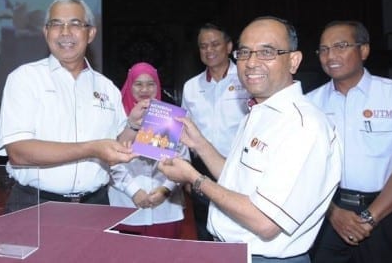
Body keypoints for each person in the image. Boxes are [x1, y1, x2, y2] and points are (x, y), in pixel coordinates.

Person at [158, 16, 342, 262]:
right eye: (245, 53)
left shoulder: (303, 126)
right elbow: (234, 178)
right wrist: (199, 143)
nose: (251, 62)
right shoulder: (258, 111)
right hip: (233, 252)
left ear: (293, 61)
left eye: (266, 52)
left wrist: (194, 178)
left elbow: (265, 222)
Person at [0, 0, 140, 209]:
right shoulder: (25, 78)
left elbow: (116, 146)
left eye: (75, 24)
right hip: (34, 204)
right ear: (46, 32)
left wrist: (134, 125)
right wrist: (92, 148)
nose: (65, 32)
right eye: (56, 24)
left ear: (90, 33)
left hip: (96, 204)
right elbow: (18, 153)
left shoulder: (106, 87)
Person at [307, 20, 392, 263]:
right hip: (327, 214)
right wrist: (332, 212)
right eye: (323, 49)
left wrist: (370, 217)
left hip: (385, 212)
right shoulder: (309, 104)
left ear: (364, 50)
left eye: (340, 46)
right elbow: (304, 169)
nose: (330, 56)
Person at [181, 22, 249, 241]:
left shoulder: (247, 80)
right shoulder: (191, 86)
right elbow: (182, 133)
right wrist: (186, 176)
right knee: (205, 232)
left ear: (229, 47)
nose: (208, 50)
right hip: (203, 172)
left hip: (241, 170)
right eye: (203, 46)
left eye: (214, 44)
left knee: (240, 233)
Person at [108, 62, 189, 238]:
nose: (145, 89)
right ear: (130, 86)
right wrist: (134, 190)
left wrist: (164, 190)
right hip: (126, 207)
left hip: (165, 210)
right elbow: (108, 161)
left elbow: (183, 161)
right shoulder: (115, 118)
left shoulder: (171, 119)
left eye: (150, 83)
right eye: (138, 83)